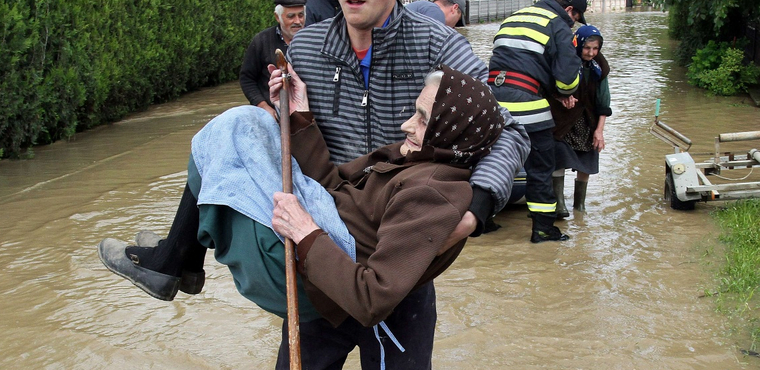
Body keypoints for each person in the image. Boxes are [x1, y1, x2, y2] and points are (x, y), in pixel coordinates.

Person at [99, 66, 507, 368]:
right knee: (249, 123)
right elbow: (336, 192)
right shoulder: (411, 156)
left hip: (341, 269)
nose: (406, 124)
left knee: (234, 129)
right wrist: (302, 116)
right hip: (333, 258)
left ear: (451, 129)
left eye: (421, 117)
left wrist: (306, 231)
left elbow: (371, 296)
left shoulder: (433, 190)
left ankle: (176, 261)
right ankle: (177, 258)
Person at [487, 0, 587, 243]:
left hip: (492, 103)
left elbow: (515, 63)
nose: (573, 23)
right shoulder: (558, 25)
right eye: (575, 17)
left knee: (490, 161)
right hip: (527, 105)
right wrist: (564, 92)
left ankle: (483, 220)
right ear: (569, 10)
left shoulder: (514, 17)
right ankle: (542, 230)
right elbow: (567, 81)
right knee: (541, 168)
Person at [548, 25, 611, 217]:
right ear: (578, 44)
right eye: (586, 48)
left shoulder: (600, 68)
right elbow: (548, 87)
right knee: (558, 157)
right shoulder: (564, 60)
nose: (591, 53)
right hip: (563, 120)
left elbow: (603, 103)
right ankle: (559, 204)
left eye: (595, 49)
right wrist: (561, 98)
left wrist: (599, 131)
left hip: (588, 120)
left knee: (587, 161)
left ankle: (580, 206)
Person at [239, 0, 306, 119]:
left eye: (301, 15)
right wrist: (263, 106)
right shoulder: (261, 41)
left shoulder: (315, 41)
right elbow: (247, 79)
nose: (297, 21)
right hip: (273, 116)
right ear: (277, 17)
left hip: (306, 115)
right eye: (291, 16)